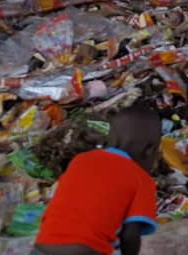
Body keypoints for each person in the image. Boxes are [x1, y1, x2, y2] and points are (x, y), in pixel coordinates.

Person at [34, 105, 160, 255]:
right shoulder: (142, 180)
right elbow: (130, 235)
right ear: (149, 150)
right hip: (86, 251)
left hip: (42, 247)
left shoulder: (80, 160)